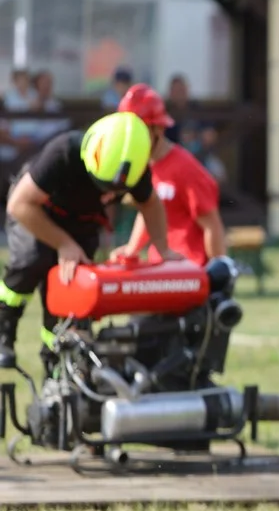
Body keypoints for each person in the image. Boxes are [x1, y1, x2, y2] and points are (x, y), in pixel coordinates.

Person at [0, 111, 180, 371]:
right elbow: (19, 205)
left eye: (114, 192)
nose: (107, 196)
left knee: (73, 286)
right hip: (37, 211)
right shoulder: (64, 152)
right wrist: (63, 243)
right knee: (33, 259)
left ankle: (58, 363)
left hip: (83, 223)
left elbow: (151, 204)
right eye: (102, 186)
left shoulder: (135, 167)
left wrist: (164, 249)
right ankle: (5, 330)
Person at [112, 83, 227, 266]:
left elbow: (212, 226)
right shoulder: (142, 165)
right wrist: (131, 250)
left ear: (158, 129)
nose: (130, 139)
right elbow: (147, 211)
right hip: (161, 269)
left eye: (137, 131)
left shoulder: (185, 168)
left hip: (190, 269)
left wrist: (216, 275)